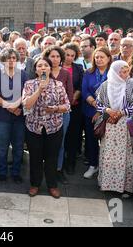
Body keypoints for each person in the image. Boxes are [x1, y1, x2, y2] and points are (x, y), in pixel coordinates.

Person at [22, 57, 70, 198]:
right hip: (34, 127)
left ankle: (52, 185)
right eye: (40, 66)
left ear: (50, 68)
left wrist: (55, 109)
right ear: (36, 70)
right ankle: (35, 184)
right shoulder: (29, 84)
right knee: (35, 157)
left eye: (46, 66)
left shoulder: (58, 85)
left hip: (54, 127)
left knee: (52, 157)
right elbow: (27, 104)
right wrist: (39, 89)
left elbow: (67, 106)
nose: (43, 68)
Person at [96, 61, 133, 195]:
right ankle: (107, 184)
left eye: (126, 71)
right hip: (109, 123)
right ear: (114, 72)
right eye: (121, 71)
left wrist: (121, 113)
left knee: (124, 155)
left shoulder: (131, 85)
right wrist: (108, 110)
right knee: (108, 153)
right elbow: (98, 103)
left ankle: (124, 186)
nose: (124, 74)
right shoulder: (106, 85)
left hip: (124, 124)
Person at [0, 48, 27, 183]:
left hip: (20, 117)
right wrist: (11, 108)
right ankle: (1, 172)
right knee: (2, 146)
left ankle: (16, 172)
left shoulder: (23, 75)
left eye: (13, 58)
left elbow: (26, 94)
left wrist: (17, 107)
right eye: (8, 58)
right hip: (1, 117)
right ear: (2, 60)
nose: (11, 60)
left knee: (18, 146)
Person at [43, 46, 73, 184]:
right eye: (52, 56)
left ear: (61, 58)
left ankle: (58, 169)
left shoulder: (66, 73)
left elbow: (70, 95)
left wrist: (58, 107)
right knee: (45, 142)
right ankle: (46, 169)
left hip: (62, 113)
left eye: (57, 57)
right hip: (44, 114)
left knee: (59, 143)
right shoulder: (43, 72)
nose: (54, 59)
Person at [82, 47, 112, 179]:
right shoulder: (89, 72)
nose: (99, 59)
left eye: (102, 57)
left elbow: (114, 94)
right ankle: (93, 165)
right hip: (89, 110)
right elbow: (84, 91)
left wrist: (100, 111)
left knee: (107, 141)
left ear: (109, 58)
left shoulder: (114, 73)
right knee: (91, 139)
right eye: (97, 57)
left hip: (108, 112)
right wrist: (95, 104)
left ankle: (106, 167)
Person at [62, 43, 84, 175]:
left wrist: (72, 98)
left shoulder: (78, 68)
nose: (69, 58)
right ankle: (59, 163)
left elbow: (81, 86)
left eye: (72, 55)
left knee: (73, 135)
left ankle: (70, 163)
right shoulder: (55, 66)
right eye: (67, 54)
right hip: (58, 107)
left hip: (74, 106)